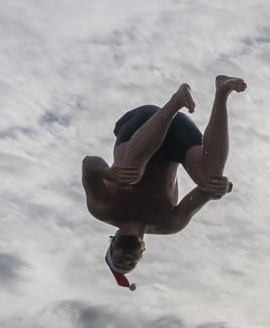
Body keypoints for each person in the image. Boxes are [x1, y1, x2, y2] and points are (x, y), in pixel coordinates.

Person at [81, 75, 246, 289]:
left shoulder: (102, 208)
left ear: (111, 244)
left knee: (131, 175)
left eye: (120, 259)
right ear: (142, 252)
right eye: (131, 263)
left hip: (142, 125)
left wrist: (109, 174)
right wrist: (222, 188)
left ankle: (176, 101)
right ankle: (223, 91)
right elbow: (204, 192)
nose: (127, 259)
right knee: (210, 178)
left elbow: (88, 165)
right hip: (177, 139)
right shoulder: (169, 223)